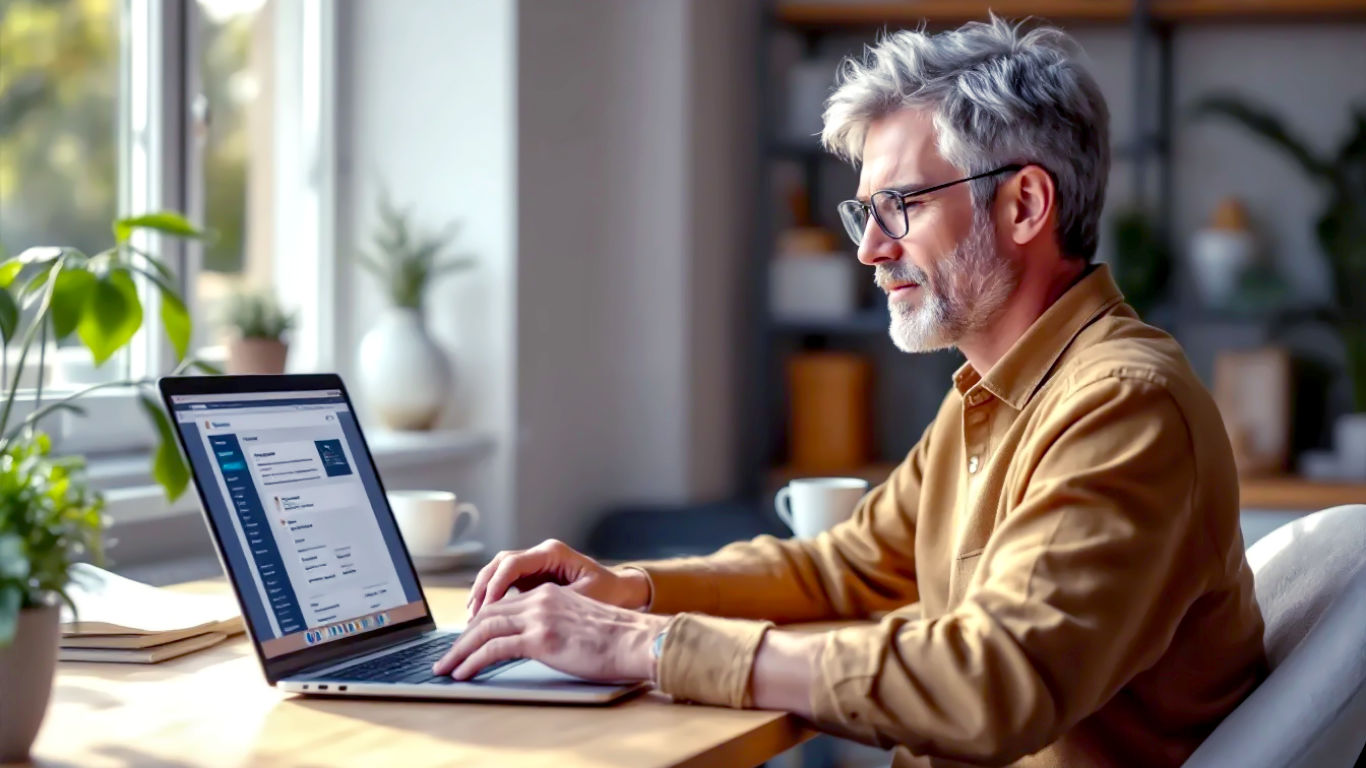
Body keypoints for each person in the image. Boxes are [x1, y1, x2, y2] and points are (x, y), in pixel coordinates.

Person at [434, 16, 1267, 767]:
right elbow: (844, 567)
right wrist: (630, 590)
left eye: (899, 205)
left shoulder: (1124, 405)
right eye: (864, 212)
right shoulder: (991, 396)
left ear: (1024, 204)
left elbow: (990, 686)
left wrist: (650, 648)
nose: (870, 250)